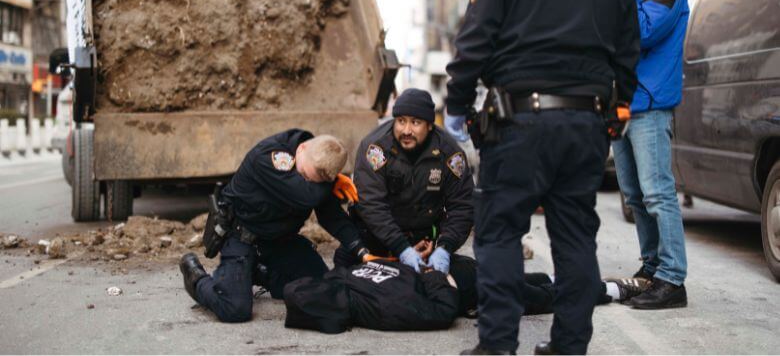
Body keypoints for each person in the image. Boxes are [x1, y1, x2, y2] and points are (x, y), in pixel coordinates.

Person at [443, 0, 640, 354]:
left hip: (519, 122)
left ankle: (498, 346)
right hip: (586, 121)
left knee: (500, 234)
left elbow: (475, 39)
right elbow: (629, 51)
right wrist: (619, 106)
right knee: (576, 239)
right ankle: (570, 345)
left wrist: (457, 103)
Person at [178, 130, 369, 323]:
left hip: (280, 242)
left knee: (322, 287)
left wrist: (361, 251)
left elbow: (332, 216)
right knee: (234, 309)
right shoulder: (270, 156)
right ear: (301, 148)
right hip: (242, 239)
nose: (310, 182)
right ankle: (197, 279)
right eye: (305, 176)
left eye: (317, 182)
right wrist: (333, 181)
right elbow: (306, 196)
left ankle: (258, 273)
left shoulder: (315, 172)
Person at [333, 88, 474, 292]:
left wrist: (445, 247)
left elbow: (463, 205)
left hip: (423, 242)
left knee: (460, 283)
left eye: (415, 122)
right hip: (377, 240)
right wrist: (402, 249)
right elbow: (371, 205)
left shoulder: (449, 153)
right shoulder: (375, 148)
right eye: (401, 121)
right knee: (343, 280)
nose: (406, 130)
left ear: (429, 125)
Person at [283, 256, 647, 335]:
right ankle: (609, 289)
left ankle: (590, 284)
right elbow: (442, 312)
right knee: (535, 295)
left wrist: (420, 260)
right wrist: (436, 276)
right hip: (463, 285)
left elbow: (387, 264)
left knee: (529, 289)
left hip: (460, 275)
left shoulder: (343, 279)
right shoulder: (381, 307)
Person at [613, 0, 690, 310]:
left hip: (651, 103)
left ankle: (672, 278)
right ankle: (652, 267)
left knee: (658, 192)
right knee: (634, 196)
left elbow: (643, 32)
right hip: (621, 106)